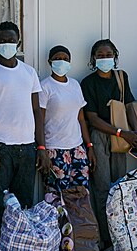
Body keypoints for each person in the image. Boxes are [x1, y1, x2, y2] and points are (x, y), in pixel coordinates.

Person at [0, 21, 50, 251]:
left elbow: (37, 111)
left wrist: (41, 147)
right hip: (0, 148)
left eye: (11, 40)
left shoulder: (29, 72)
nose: (7, 44)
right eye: (3, 40)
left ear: (19, 42)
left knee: (24, 204)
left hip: (27, 149)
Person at [81, 39, 137, 251]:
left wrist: (136, 134)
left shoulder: (121, 77)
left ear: (115, 56)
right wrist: (121, 133)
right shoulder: (88, 83)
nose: (104, 58)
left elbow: (130, 106)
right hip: (101, 137)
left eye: (108, 54)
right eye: (99, 54)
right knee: (101, 189)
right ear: (93, 59)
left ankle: (121, 238)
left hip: (122, 138)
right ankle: (104, 241)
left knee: (119, 188)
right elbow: (92, 119)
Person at [39, 45, 95, 191]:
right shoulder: (45, 87)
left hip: (77, 148)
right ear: (50, 61)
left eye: (65, 59)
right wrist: (42, 149)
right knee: (57, 197)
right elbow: (39, 121)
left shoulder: (75, 85)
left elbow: (81, 118)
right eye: (57, 59)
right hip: (54, 149)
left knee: (80, 196)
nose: (61, 62)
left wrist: (89, 146)